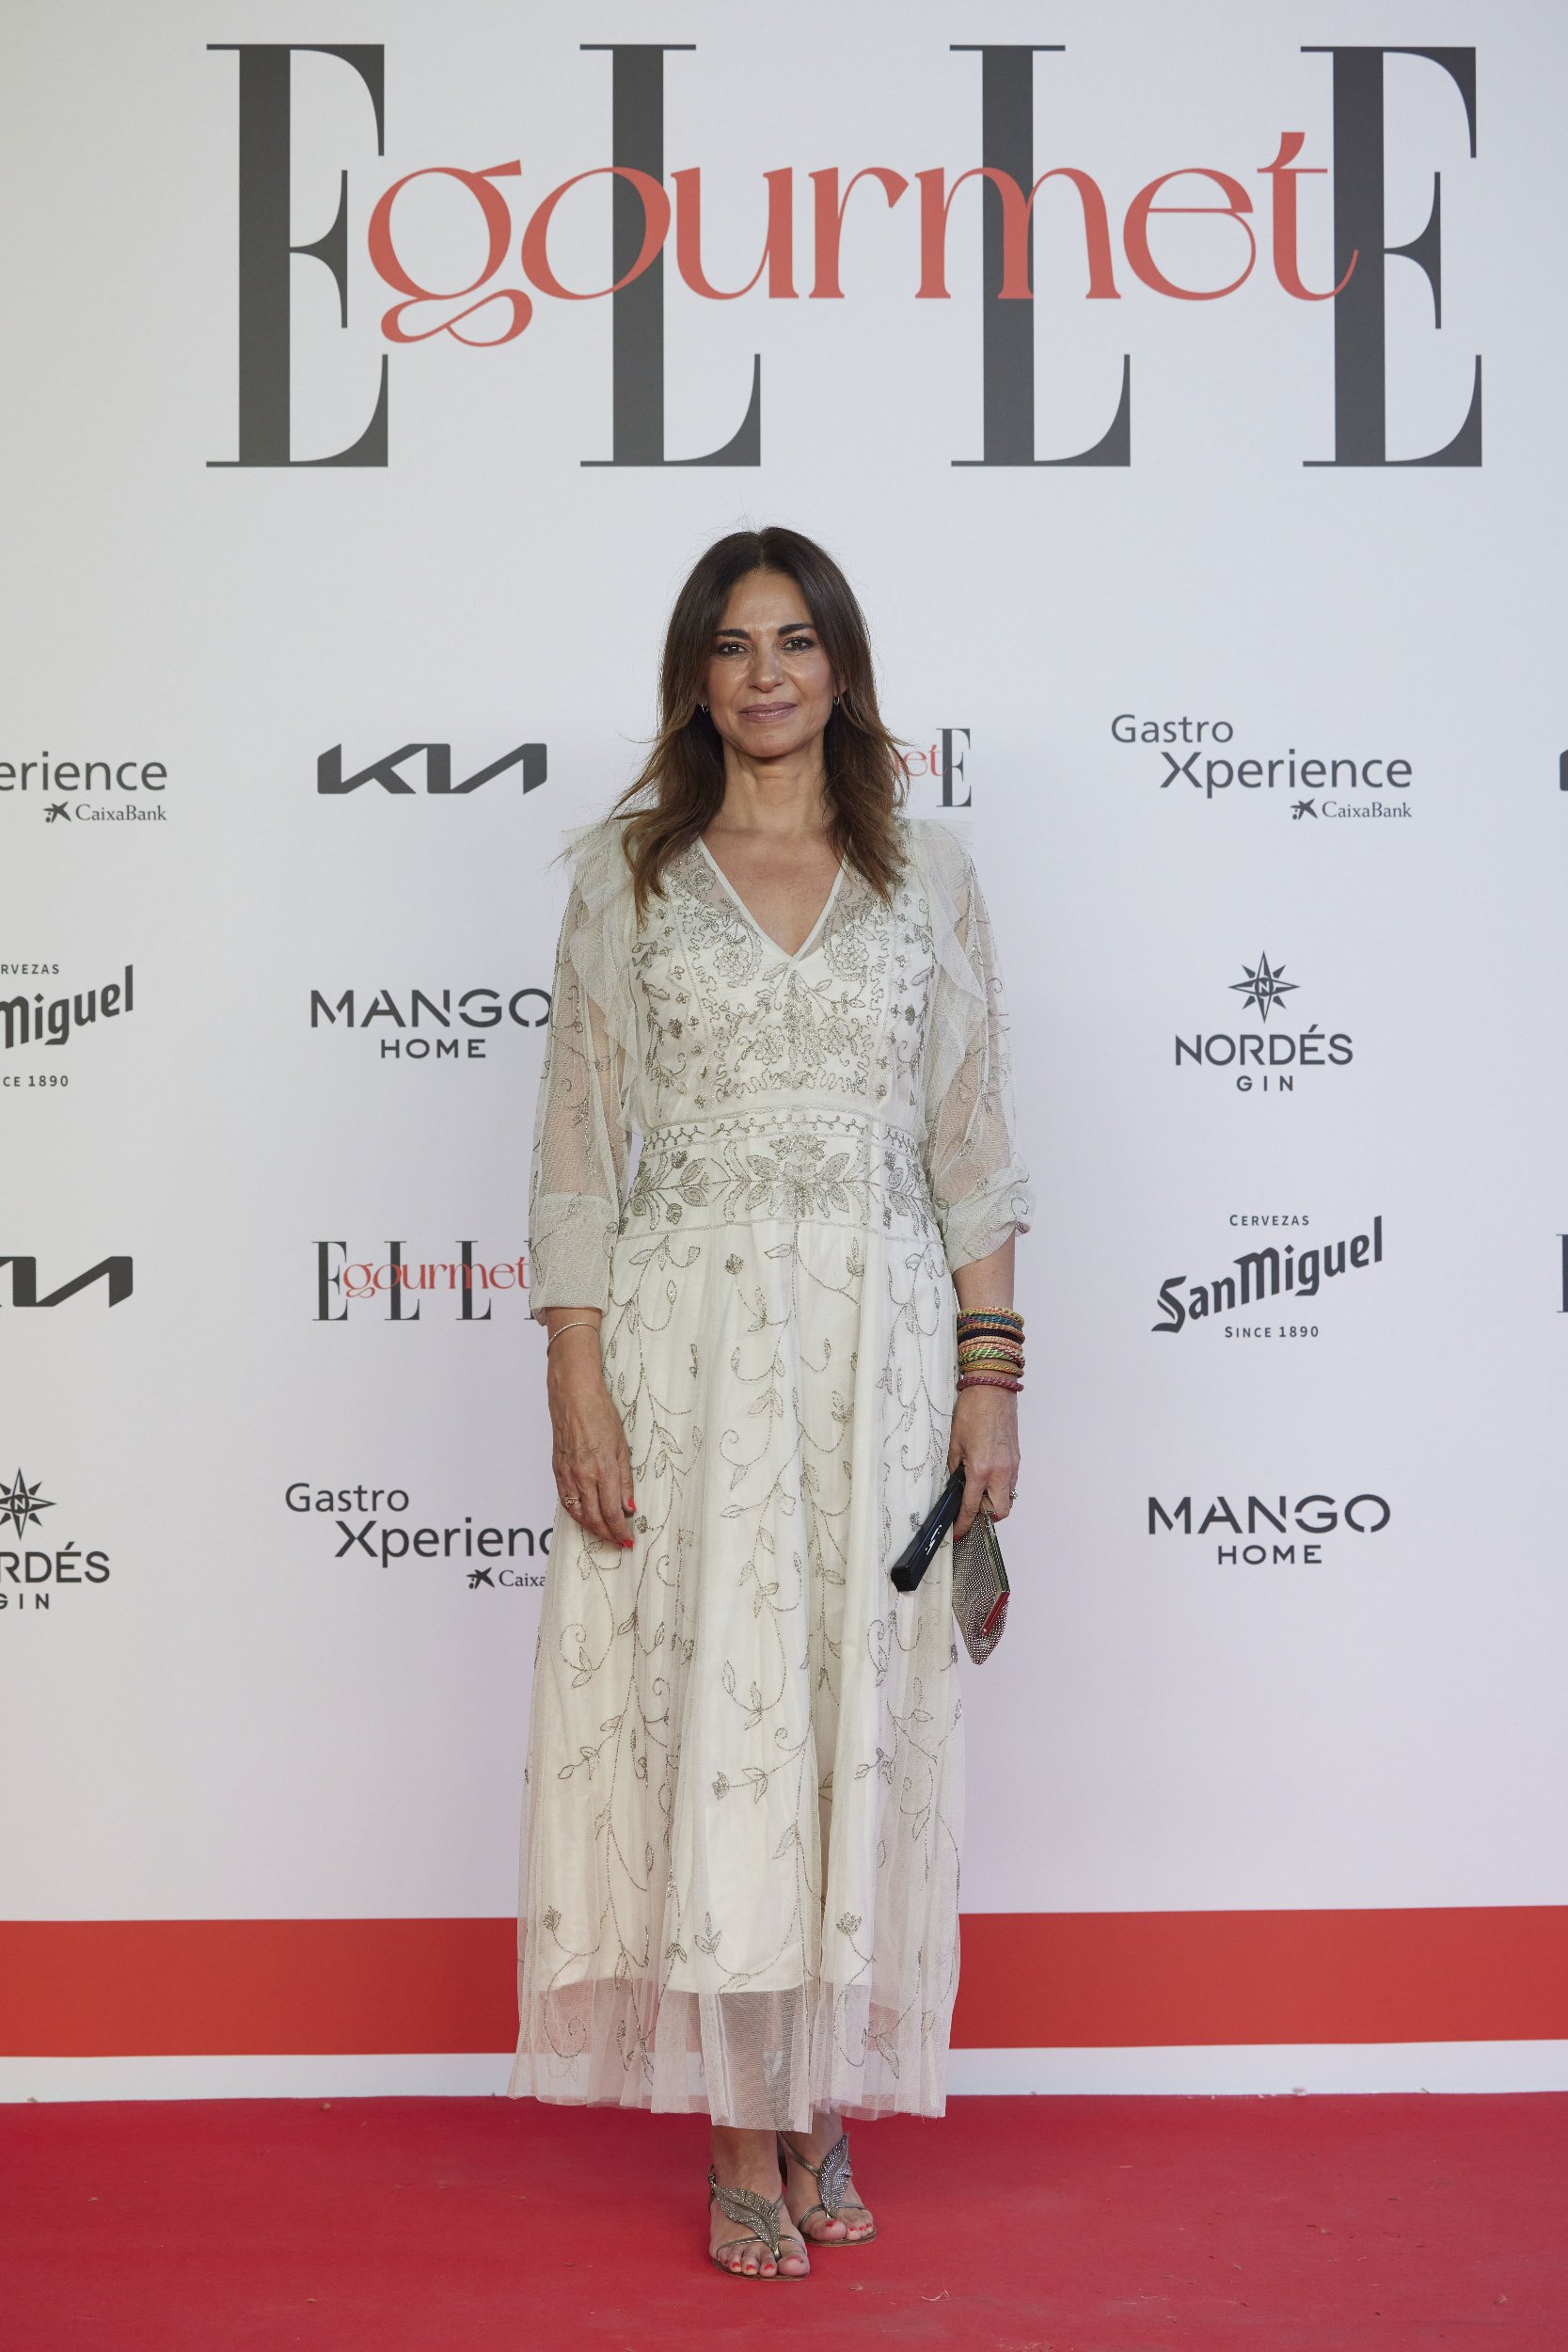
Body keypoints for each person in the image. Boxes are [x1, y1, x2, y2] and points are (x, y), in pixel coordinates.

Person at [508, 526, 1034, 2280]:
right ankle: (743, 2131)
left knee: (846, 1723)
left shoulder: (931, 874)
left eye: (795, 641)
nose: (765, 674)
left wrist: (991, 1384)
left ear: (843, 667)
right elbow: (575, 1150)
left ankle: (817, 2095)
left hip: (881, 1352)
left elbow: (972, 1149)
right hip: (690, 1351)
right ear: (696, 676)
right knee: (717, 1721)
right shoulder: (629, 878)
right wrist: (576, 1374)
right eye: (733, 645)